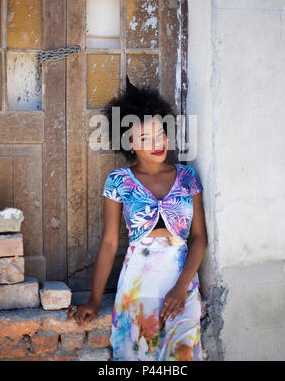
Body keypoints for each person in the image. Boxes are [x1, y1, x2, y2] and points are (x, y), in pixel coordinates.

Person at [66, 84, 207, 361]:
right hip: (137, 285)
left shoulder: (188, 176)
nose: (157, 143)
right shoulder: (118, 181)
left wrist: (181, 287)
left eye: (160, 133)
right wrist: (95, 299)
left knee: (183, 355)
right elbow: (109, 243)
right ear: (129, 142)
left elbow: (199, 238)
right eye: (144, 137)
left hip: (182, 281)